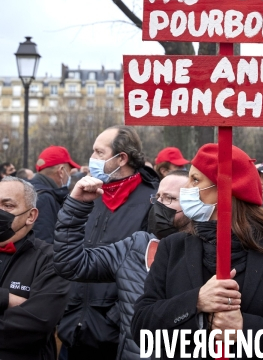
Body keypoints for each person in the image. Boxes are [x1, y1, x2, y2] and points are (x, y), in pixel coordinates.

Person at [132, 144, 263, 359]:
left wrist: (246, 329)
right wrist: (195, 301)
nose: (186, 187)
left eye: (195, 180)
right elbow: (142, 326)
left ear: (226, 190)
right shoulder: (172, 247)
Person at [53, 169, 190, 360]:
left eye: (169, 199)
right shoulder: (137, 246)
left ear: (195, 205)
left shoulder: (209, 254)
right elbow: (71, 263)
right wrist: (77, 205)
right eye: (157, 197)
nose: (159, 205)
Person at [57, 125, 159, 360]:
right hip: (73, 327)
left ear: (121, 158)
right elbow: (66, 253)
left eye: (98, 152)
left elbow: (150, 272)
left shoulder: (152, 201)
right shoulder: (86, 195)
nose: (91, 159)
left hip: (115, 335)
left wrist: (115, 317)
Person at [0, 176, 70, 360]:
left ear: (31, 215)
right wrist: (6, 298)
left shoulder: (51, 260)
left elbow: (35, 325)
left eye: (8, 206)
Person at [31, 146, 80, 243]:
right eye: (69, 172)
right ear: (61, 171)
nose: (69, 176)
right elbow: (43, 244)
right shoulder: (45, 198)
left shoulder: (29, 189)